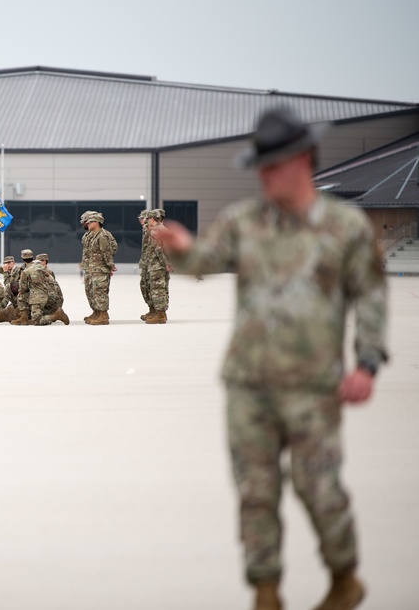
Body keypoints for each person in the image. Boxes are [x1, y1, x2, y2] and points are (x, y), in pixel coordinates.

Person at [156, 106, 386, 610]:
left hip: (312, 386)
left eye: (272, 166)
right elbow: (206, 261)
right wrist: (181, 248)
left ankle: (345, 578)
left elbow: (370, 297)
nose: (263, 177)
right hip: (248, 382)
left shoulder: (347, 228)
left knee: (318, 487)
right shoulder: (243, 221)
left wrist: (366, 364)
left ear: (303, 160)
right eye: (259, 168)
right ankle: (266, 591)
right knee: (255, 491)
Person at [80, 211, 118, 325]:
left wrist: (110, 265)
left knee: (99, 291)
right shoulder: (89, 235)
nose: (88, 224)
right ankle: (96, 312)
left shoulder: (102, 236)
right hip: (91, 268)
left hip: (100, 268)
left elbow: (106, 252)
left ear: (97, 222)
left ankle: (103, 315)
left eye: (91, 222)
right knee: (90, 291)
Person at [142, 209, 170, 324]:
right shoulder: (164, 230)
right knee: (161, 289)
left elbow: (158, 250)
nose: (147, 221)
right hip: (158, 265)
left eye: (148, 219)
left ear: (152, 219)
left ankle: (160, 315)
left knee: (157, 290)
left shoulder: (155, 231)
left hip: (157, 266)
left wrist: (165, 263)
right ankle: (159, 313)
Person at [137, 210, 154, 320]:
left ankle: (158, 312)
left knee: (155, 289)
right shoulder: (145, 230)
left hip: (154, 264)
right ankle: (152, 310)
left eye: (142, 218)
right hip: (147, 264)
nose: (140, 220)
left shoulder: (152, 231)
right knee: (145, 287)